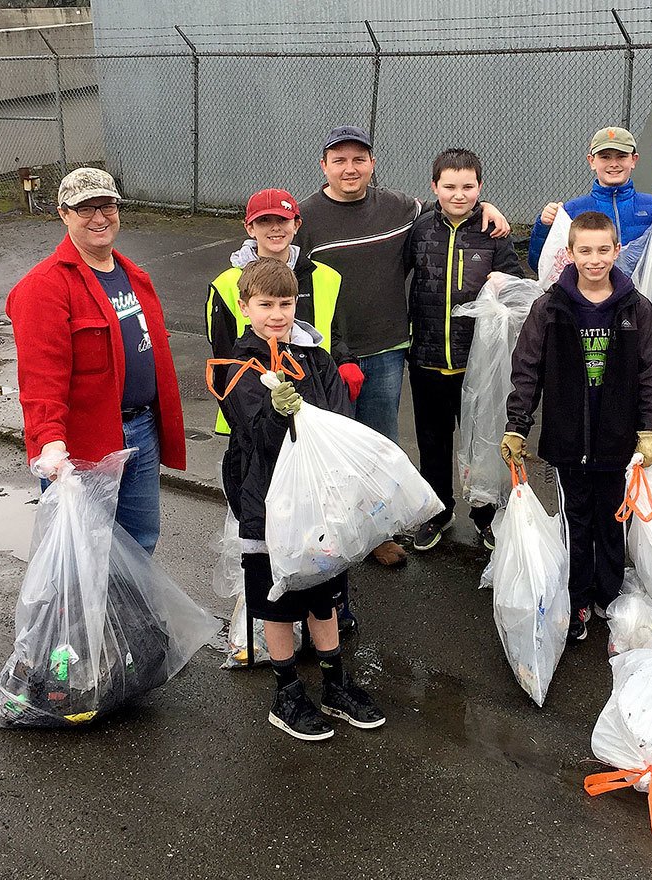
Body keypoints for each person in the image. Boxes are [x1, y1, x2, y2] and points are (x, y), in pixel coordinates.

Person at [296, 125, 510, 567]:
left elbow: (452, 210)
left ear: (372, 164)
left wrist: (487, 208)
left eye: (359, 159)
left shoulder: (400, 209)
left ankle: (379, 533)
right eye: (340, 160)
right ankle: (334, 533)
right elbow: (283, 266)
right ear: (324, 166)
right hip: (327, 352)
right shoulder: (305, 217)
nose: (350, 168)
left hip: (390, 348)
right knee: (331, 447)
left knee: (381, 445)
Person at [222, 258, 385, 741]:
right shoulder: (236, 364)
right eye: (265, 304)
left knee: (325, 592)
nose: (277, 313)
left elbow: (338, 414)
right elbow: (254, 432)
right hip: (265, 500)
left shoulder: (316, 356)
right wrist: (277, 414)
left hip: (319, 500)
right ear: (245, 306)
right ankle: (286, 691)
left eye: (286, 303)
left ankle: (335, 684)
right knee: (276, 600)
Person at [502, 211, 652, 642]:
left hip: (616, 440)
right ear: (570, 253)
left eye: (602, 250)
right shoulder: (550, 308)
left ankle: (608, 596)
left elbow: (651, 372)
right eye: (585, 251)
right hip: (567, 440)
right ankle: (575, 600)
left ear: (616, 250)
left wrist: (649, 429)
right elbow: (527, 370)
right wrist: (517, 425)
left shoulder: (636, 309)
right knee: (575, 521)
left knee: (613, 521)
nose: (594, 260)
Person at [7, 167, 184, 554]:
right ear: (63, 214)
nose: (99, 217)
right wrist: (50, 443)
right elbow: (40, 378)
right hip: (85, 450)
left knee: (139, 548)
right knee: (82, 555)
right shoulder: (45, 287)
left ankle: (131, 618)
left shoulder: (133, 276)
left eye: (107, 205)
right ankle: (82, 618)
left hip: (141, 434)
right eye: (85, 208)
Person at [405, 148, 524, 553]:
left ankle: (485, 516)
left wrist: (502, 283)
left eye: (468, 187)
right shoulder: (419, 230)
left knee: (481, 444)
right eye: (450, 186)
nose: (459, 195)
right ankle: (438, 512)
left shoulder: (494, 233)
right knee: (432, 442)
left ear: (480, 187)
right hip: (427, 359)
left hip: (479, 364)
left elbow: (518, 289)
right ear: (434, 187)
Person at [206, 188, 362, 436]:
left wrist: (345, 362)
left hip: (317, 404)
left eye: (282, 220)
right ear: (249, 228)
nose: (275, 228)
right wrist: (241, 425)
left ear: (296, 224)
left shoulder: (325, 277)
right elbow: (223, 359)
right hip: (252, 415)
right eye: (264, 221)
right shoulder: (226, 284)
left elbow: (334, 331)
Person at [527, 125, 652, 272]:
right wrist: (545, 226)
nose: (614, 164)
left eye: (621, 156)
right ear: (591, 161)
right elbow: (541, 266)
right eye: (605, 157)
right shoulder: (572, 211)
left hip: (640, 302)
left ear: (633, 160)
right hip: (590, 303)